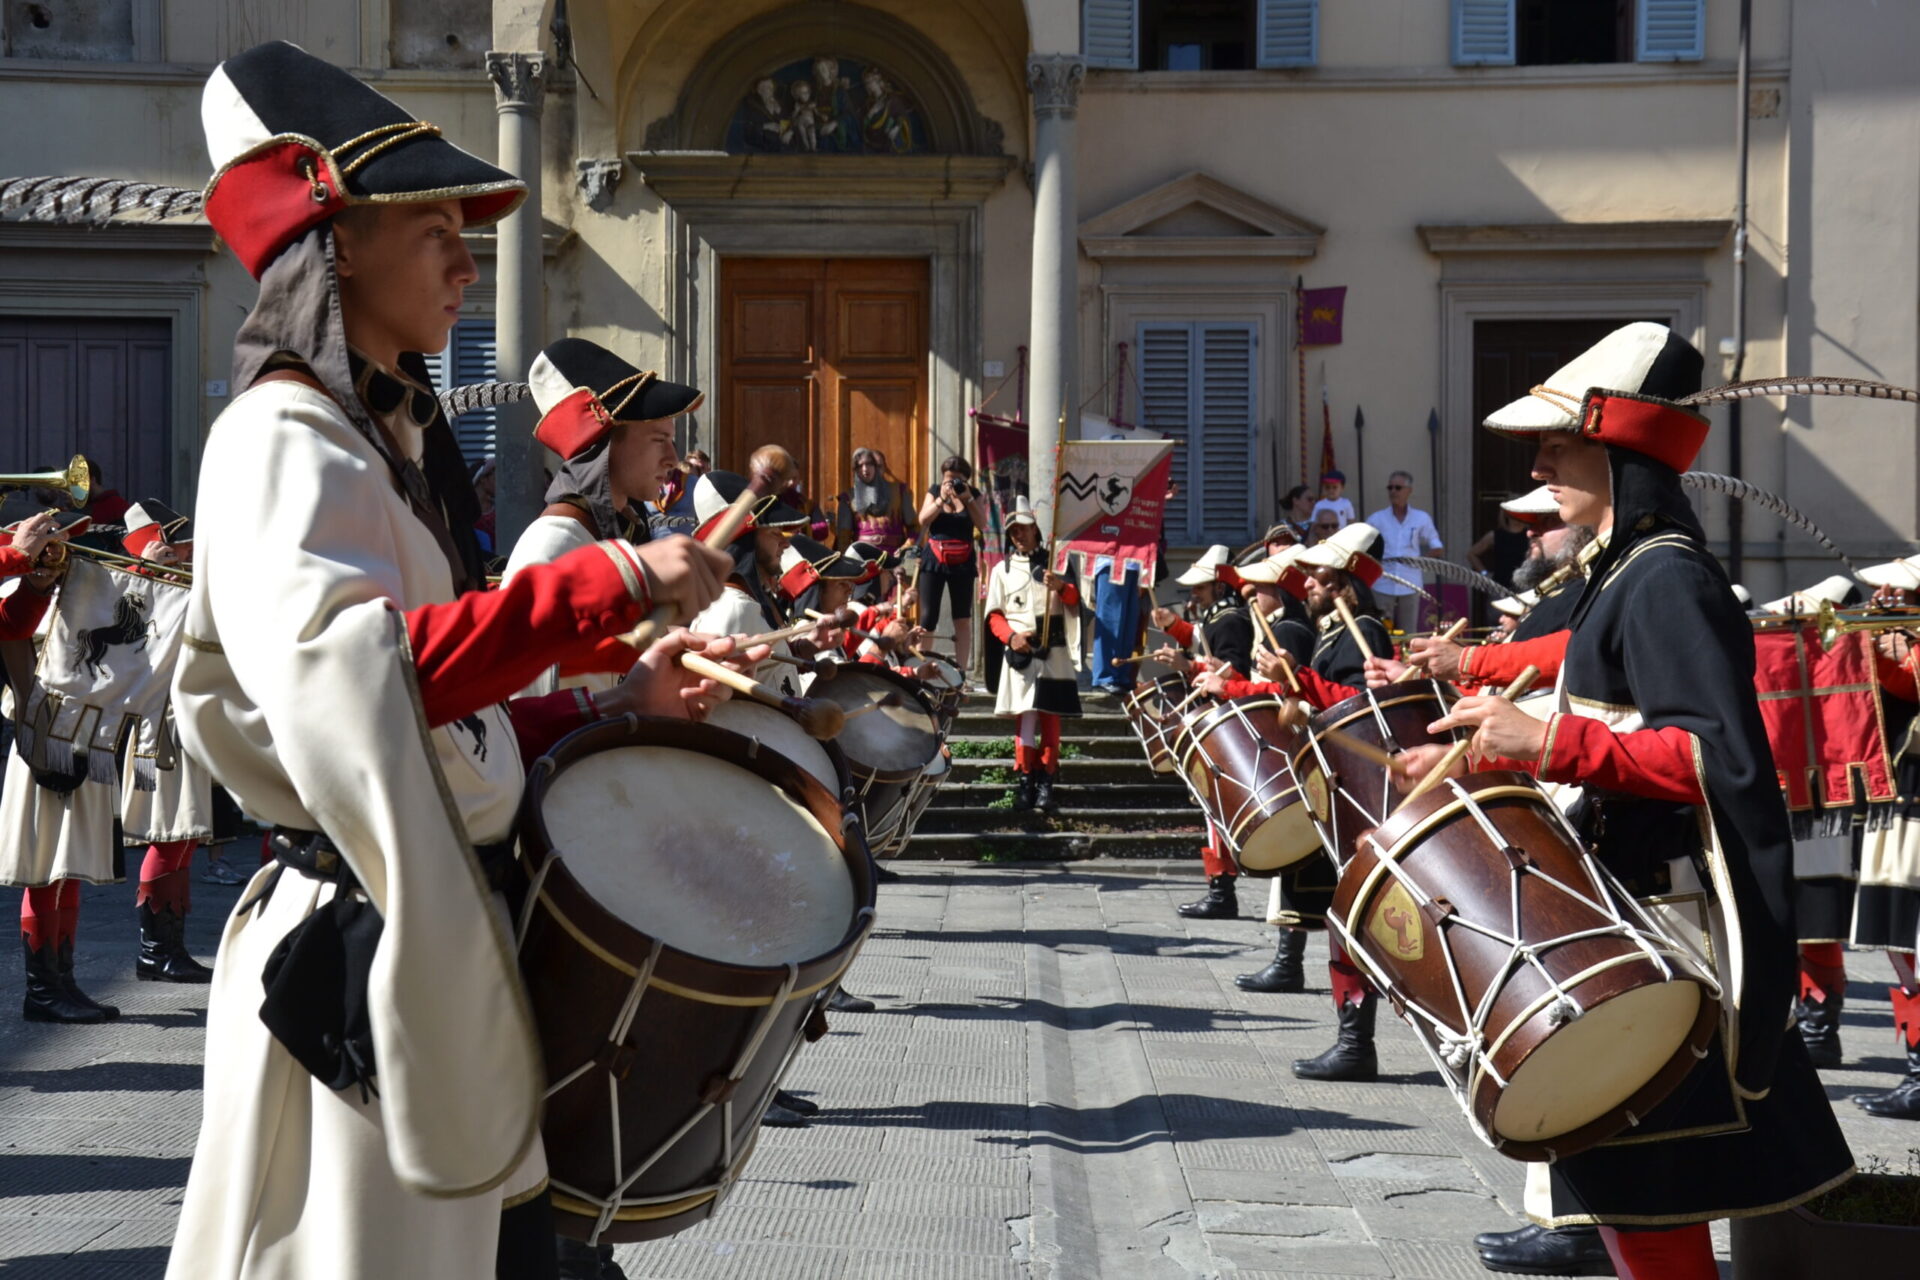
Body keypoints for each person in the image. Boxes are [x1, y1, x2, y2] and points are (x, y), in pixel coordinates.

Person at [162, 42, 741, 1280]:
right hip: (356, 958)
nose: (468, 256)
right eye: (430, 224)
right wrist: (611, 584)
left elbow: (437, 735)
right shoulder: (278, 434)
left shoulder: (377, 448)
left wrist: (618, 697)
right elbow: (350, 682)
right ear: (337, 239)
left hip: (428, 930)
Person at [1398, 323, 1851, 1278]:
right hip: (1627, 914)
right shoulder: (1625, 574)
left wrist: (1547, 740)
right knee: (1635, 1205)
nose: (1541, 462)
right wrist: (1483, 747)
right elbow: (1582, 693)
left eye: (1561, 443)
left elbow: (1713, 756)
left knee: (1651, 1207)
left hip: (1667, 928)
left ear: (1620, 451)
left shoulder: (1668, 580)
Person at [503, 338, 702, 697]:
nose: (674, 458)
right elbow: (525, 701)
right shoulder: (554, 546)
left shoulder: (602, 539)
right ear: (607, 443)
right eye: (659, 439)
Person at [114, 501, 217, 986]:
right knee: (169, 833)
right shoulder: (138, 588)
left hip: (189, 716)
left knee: (187, 834)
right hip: (161, 723)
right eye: (180, 547)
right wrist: (148, 573)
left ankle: (170, 946)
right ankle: (155, 950)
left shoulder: (189, 583)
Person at [1151, 545, 1254, 921]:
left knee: (1215, 806)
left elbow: (1231, 673)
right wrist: (1171, 627)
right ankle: (1218, 885)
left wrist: (1186, 665)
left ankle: (1221, 889)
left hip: (1227, 720)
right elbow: (1200, 640)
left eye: (1200, 587)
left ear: (1218, 586)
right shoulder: (1219, 615)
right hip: (1220, 720)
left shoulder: (1229, 620)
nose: (1193, 594)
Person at [984, 500, 1081, 811]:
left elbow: (1076, 603)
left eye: (1023, 529)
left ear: (1035, 529)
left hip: (1053, 651)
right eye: (1013, 532)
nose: (1018, 536)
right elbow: (994, 615)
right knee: (1025, 720)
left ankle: (1047, 781)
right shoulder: (1002, 569)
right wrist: (1011, 638)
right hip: (1021, 654)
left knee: (1051, 719)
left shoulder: (1058, 563)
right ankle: (1026, 779)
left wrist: (1062, 587)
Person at [917, 456, 989, 674]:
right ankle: (922, 667)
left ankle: (961, 671)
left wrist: (967, 498)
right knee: (928, 616)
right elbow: (923, 519)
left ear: (966, 480)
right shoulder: (935, 490)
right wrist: (940, 499)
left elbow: (982, 523)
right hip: (934, 559)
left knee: (962, 617)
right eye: (948, 479)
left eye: (957, 480)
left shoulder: (973, 495)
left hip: (962, 560)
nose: (951, 484)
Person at [1365, 470, 1444, 634]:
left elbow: (1437, 547)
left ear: (1409, 491)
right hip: (1382, 583)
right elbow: (1363, 547)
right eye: (1390, 488)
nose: (1393, 491)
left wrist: (1419, 561)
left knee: (1408, 633)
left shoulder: (1421, 518)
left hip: (1410, 583)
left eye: (1398, 488)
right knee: (1381, 631)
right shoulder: (1376, 519)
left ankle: (1406, 660)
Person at [833, 447, 914, 555]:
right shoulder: (848, 497)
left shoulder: (899, 491)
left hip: (895, 555)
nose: (865, 469)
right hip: (862, 558)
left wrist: (905, 550)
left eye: (869, 464)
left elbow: (914, 527)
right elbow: (843, 538)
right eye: (860, 466)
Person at [749, 443, 830, 543]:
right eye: (787, 479)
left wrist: (802, 530)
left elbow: (822, 530)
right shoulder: (763, 503)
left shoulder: (806, 504)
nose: (791, 483)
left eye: (795, 478)